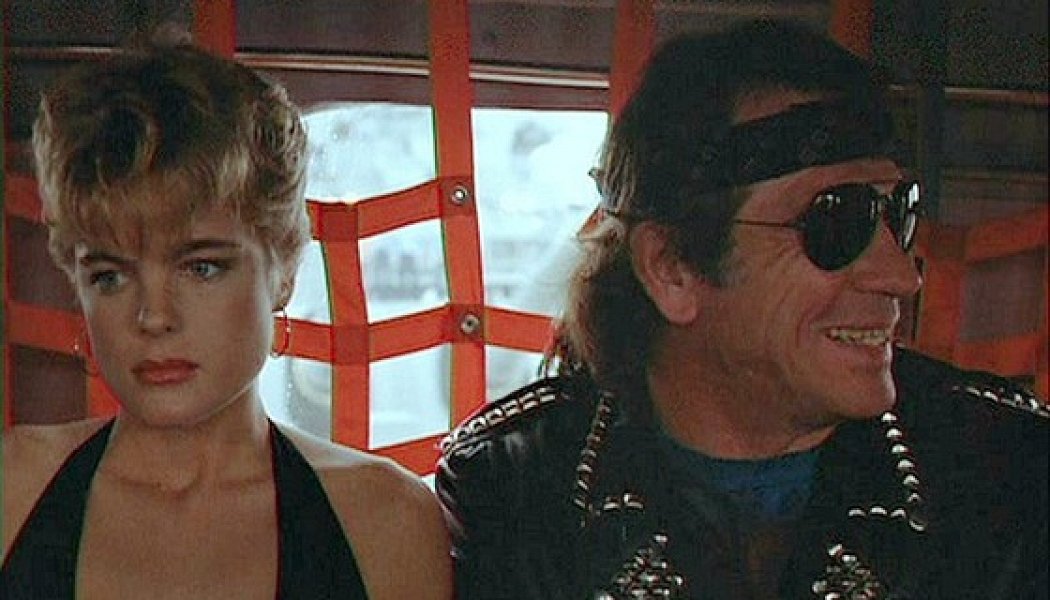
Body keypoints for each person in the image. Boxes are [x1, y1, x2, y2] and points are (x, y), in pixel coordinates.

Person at [436, 19, 1048, 599]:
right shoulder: (516, 494)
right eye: (837, 219)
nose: (900, 277)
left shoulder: (1012, 474)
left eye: (897, 216)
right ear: (672, 267)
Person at [1, 32, 452, 600]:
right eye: (110, 276)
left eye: (201, 268)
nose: (153, 317)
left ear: (283, 269)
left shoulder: (383, 522)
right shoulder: (13, 489)